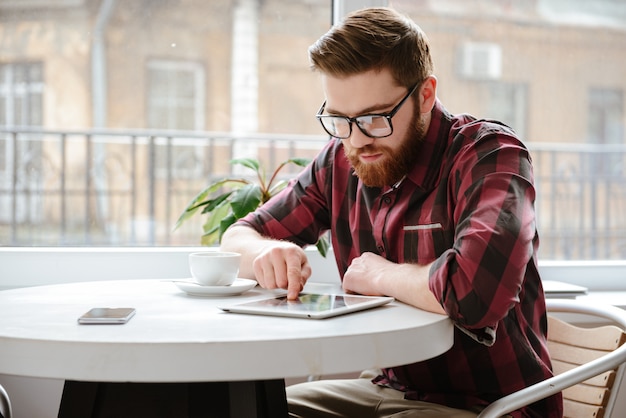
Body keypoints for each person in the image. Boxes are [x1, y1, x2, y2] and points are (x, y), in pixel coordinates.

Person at [220, 6, 563, 418]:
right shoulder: (340, 160)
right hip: (387, 388)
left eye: (374, 117)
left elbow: (474, 296)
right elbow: (238, 235)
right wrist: (263, 254)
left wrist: (380, 275)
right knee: (250, 408)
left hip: (492, 406)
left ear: (425, 95)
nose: (358, 139)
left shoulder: (489, 156)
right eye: (340, 119)